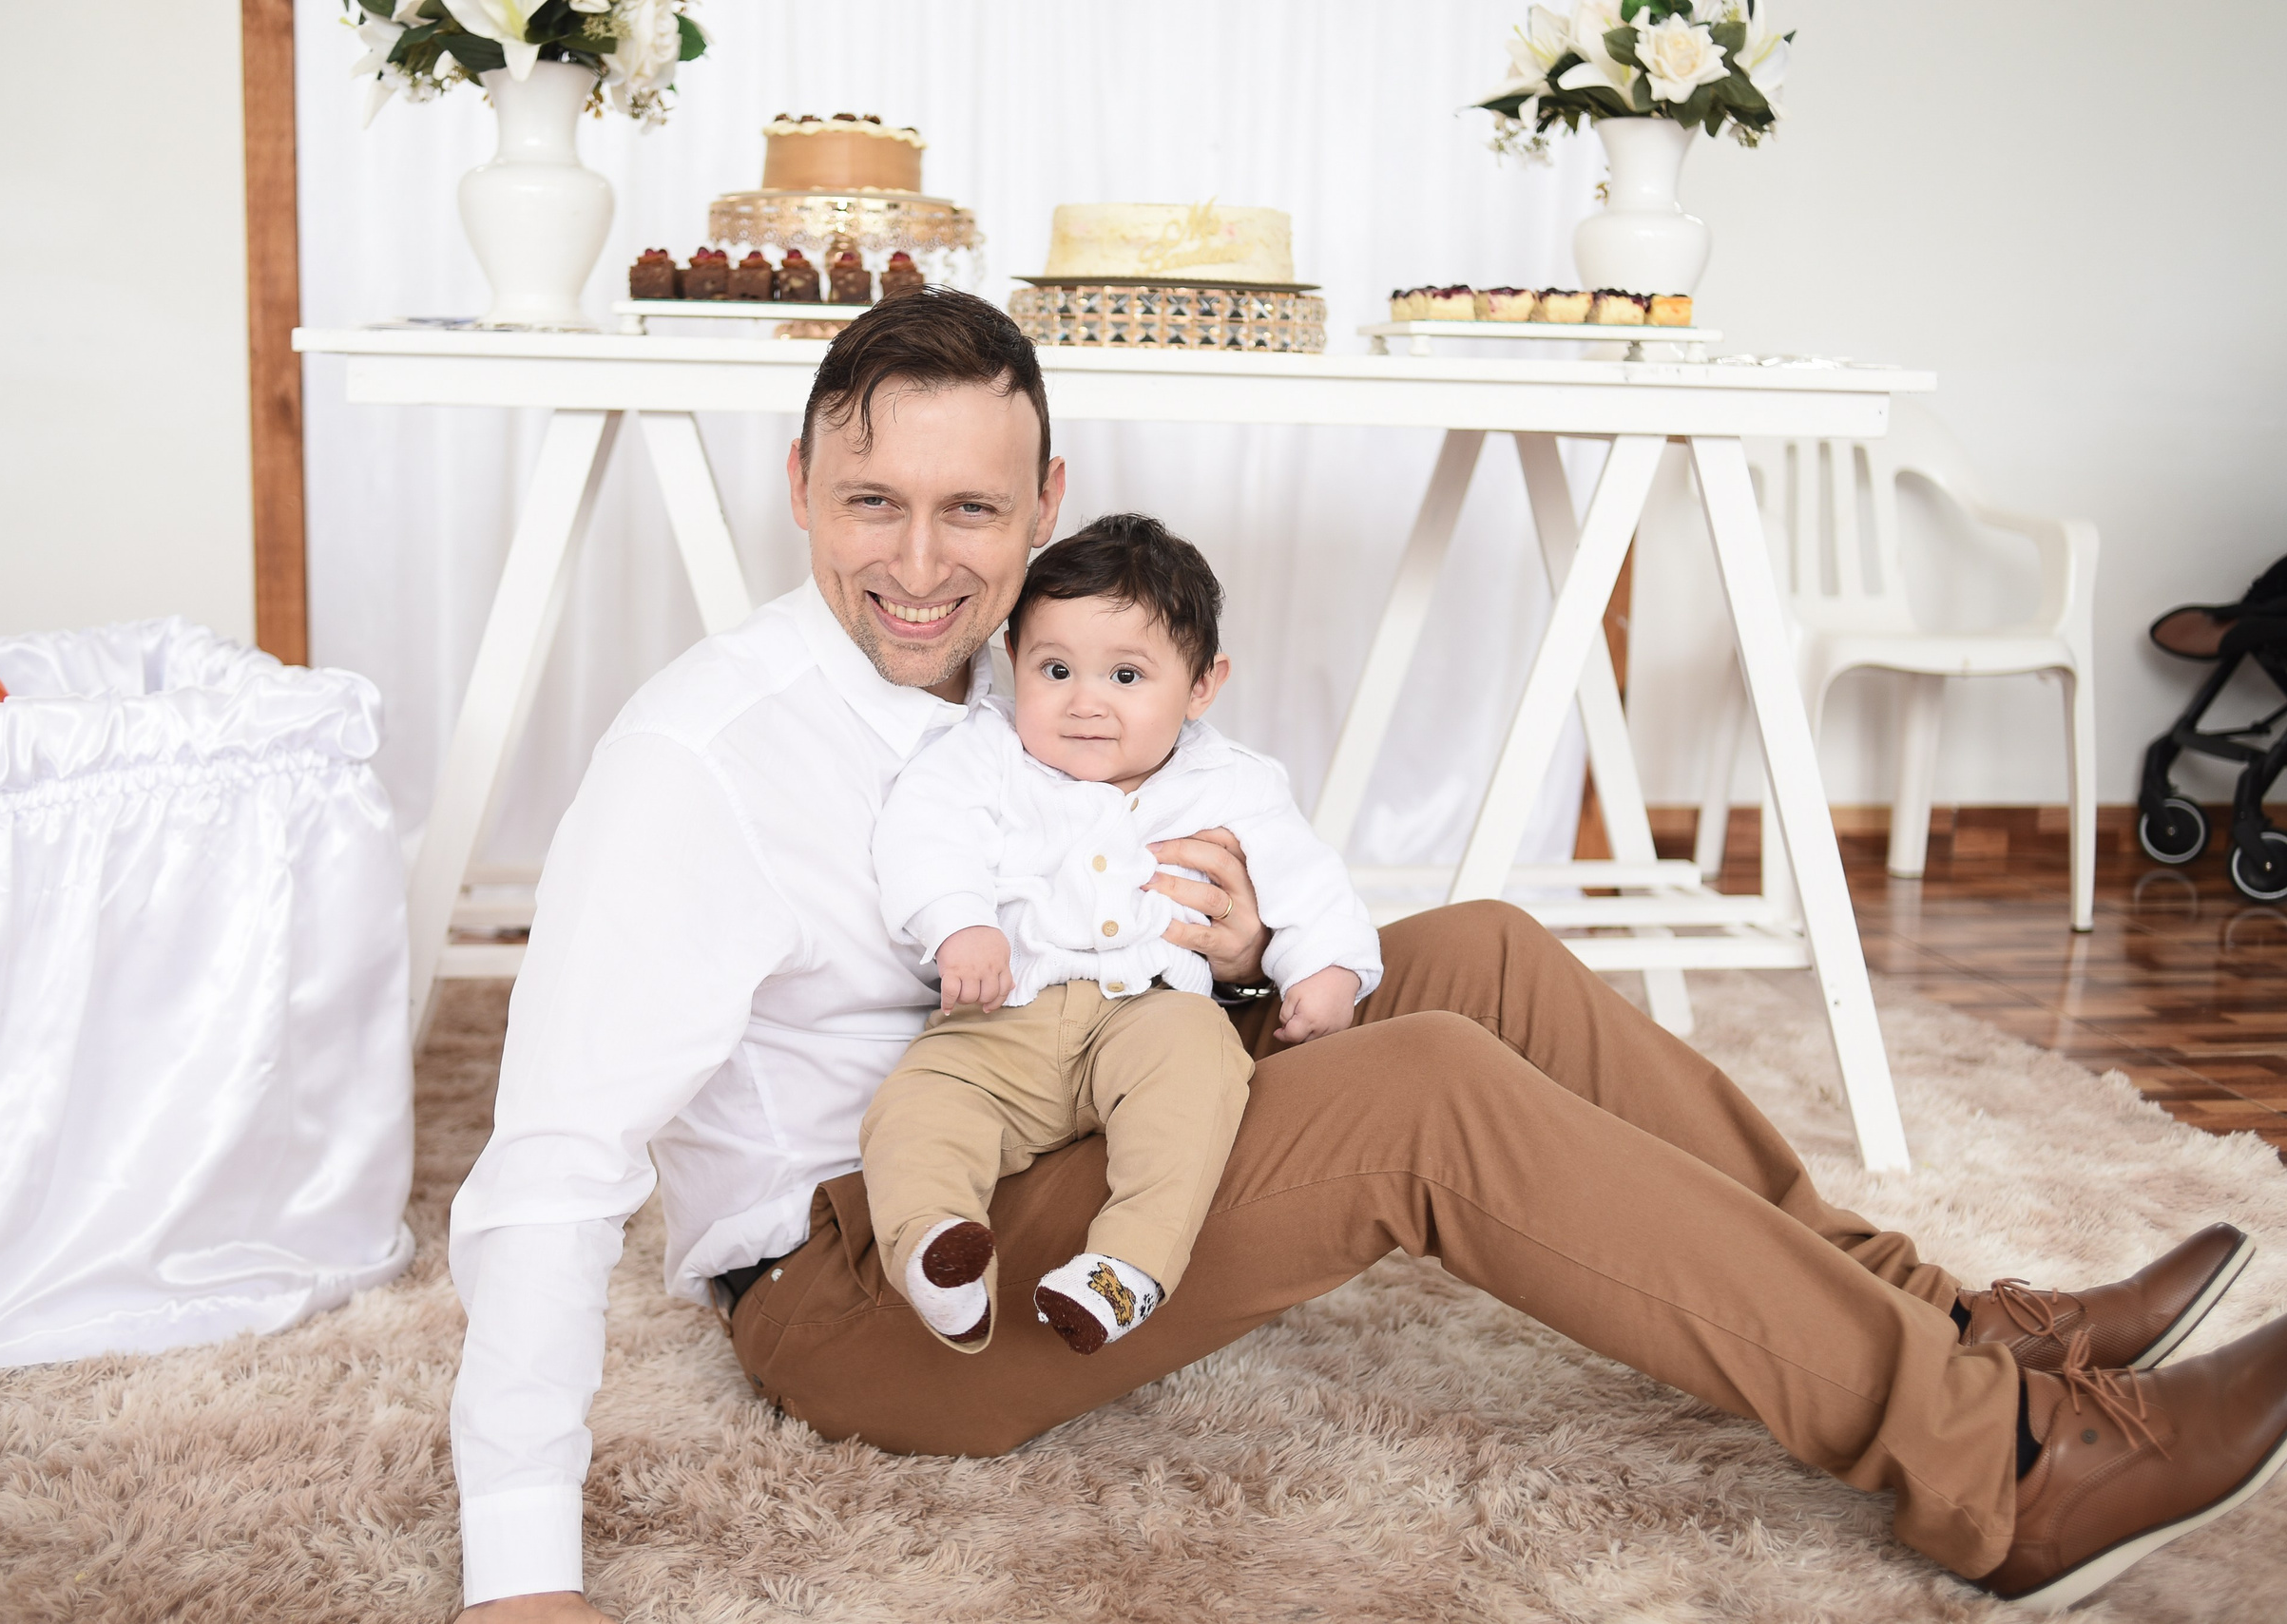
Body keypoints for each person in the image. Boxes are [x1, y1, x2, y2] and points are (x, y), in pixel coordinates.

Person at [449, 290, 2287, 1622]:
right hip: (873, 1287)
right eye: (873, 504)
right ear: (799, 489)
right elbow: (548, 1164)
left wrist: (1250, 967)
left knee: (1467, 954)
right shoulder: (702, 754)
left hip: (1075, 1129)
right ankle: (2009, 1475)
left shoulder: (1035, 690)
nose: (922, 561)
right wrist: (519, 1563)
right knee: (1424, 1097)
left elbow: (1139, 980)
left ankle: (1960, 1324)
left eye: (972, 510)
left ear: (1044, 499)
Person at [863, 514, 1380, 1356]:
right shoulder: (985, 754)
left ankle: (1124, 1267)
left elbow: (1305, 874)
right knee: (918, 1102)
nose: (1086, 702)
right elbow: (924, 834)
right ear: (1013, 663)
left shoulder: (1233, 781)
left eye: (1128, 674)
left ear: (1202, 685)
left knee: (1201, 1078)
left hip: (1149, 1010)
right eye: (1055, 669)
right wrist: (961, 926)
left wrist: (1325, 969)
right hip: (1006, 1013)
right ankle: (937, 1248)